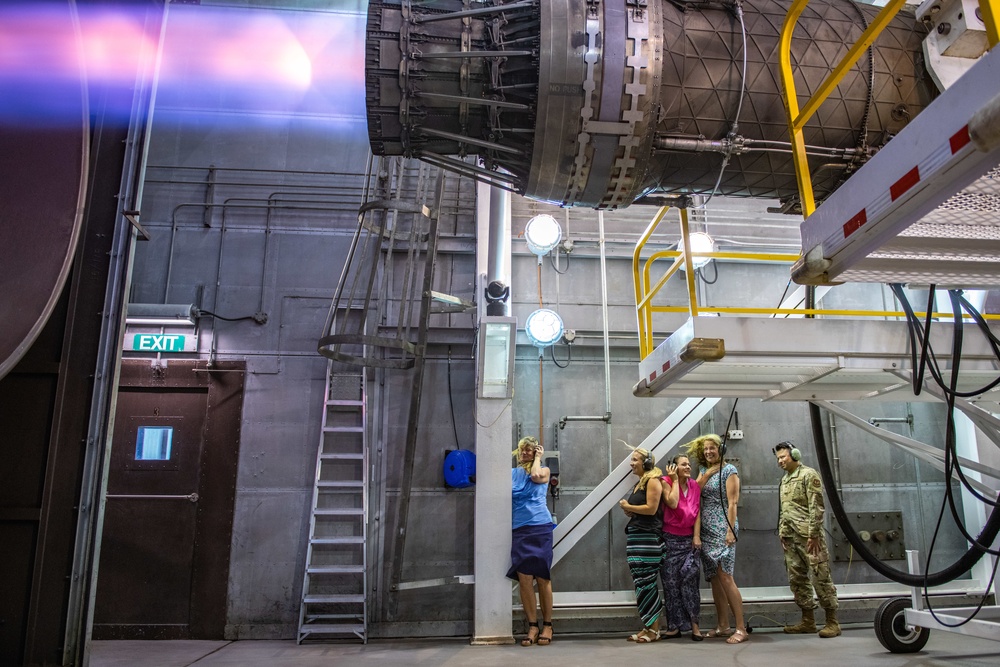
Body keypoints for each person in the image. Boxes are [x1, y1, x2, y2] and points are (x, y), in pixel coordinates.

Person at [774, 441, 841, 638]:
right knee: (797, 579)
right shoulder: (785, 480)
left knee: (820, 577)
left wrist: (813, 534)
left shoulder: (808, 475)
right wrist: (782, 533)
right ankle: (808, 621)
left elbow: (817, 507)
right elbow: (784, 510)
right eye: (778, 458)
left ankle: (832, 622)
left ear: (795, 454)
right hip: (791, 538)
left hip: (810, 538)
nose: (780, 461)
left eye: (783, 457)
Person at [688, 433, 748, 645]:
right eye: (705, 449)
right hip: (706, 529)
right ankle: (723, 625)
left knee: (726, 577)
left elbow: (733, 503)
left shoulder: (730, 470)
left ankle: (741, 627)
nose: (708, 452)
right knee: (714, 577)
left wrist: (730, 530)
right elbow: (693, 493)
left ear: (720, 449)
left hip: (724, 526)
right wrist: (707, 473)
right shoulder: (703, 471)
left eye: (712, 448)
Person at [507, 436, 555, 646]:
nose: (525, 453)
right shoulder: (511, 474)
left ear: (536, 451)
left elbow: (535, 475)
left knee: (542, 577)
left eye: (529, 450)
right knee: (524, 579)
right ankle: (533, 626)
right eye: (522, 450)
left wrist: (538, 458)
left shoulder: (543, 471)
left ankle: (548, 625)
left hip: (540, 527)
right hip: (520, 529)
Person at [618, 447, 665, 643]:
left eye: (635, 459)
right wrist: (632, 511)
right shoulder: (640, 483)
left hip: (648, 538)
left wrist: (629, 507)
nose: (631, 463)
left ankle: (654, 630)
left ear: (646, 463)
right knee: (641, 584)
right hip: (637, 537)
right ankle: (647, 627)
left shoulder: (653, 481)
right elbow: (642, 508)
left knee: (647, 583)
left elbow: (652, 508)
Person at [659, 455, 703, 641]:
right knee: (671, 585)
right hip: (669, 539)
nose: (688, 467)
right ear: (673, 467)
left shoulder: (694, 485)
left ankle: (695, 626)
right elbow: (673, 503)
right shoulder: (665, 481)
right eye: (684, 464)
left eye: (689, 464)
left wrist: (696, 535)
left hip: (688, 540)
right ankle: (674, 627)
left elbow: (698, 511)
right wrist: (676, 480)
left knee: (690, 582)